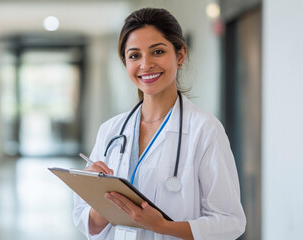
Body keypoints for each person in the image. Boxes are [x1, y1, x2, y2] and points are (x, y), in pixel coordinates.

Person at [73, 7, 246, 240]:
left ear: (180, 55)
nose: (145, 65)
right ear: (126, 63)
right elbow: (89, 224)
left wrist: (162, 226)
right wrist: (102, 197)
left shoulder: (205, 130)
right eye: (134, 55)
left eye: (157, 51)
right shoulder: (111, 130)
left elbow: (230, 222)